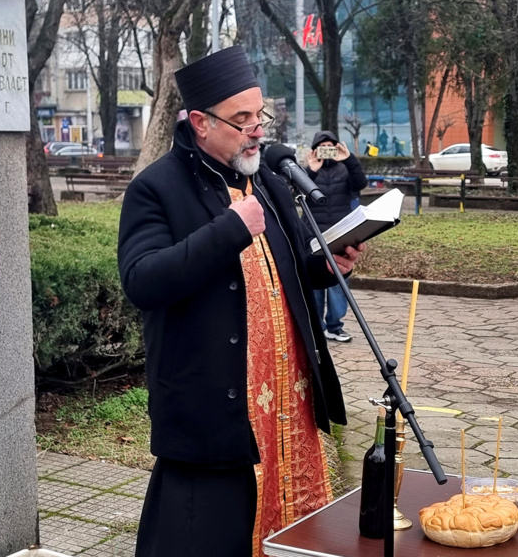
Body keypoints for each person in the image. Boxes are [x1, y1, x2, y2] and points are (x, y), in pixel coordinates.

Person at [117, 46, 359, 557]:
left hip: (285, 406)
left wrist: (331, 259)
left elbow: (291, 266)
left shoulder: (266, 180)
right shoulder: (155, 188)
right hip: (215, 407)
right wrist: (230, 228)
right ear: (201, 122)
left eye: (260, 115)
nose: (257, 129)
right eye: (242, 118)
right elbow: (142, 280)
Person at [305, 130, 368, 343]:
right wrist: (311, 170)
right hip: (312, 234)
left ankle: (335, 326)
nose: (328, 151)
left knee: (336, 282)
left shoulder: (345, 169)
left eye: (332, 147)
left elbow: (360, 183)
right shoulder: (310, 170)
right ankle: (316, 328)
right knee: (313, 285)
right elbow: (295, 192)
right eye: (323, 147)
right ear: (315, 150)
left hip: (340, 234)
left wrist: (349, 159)